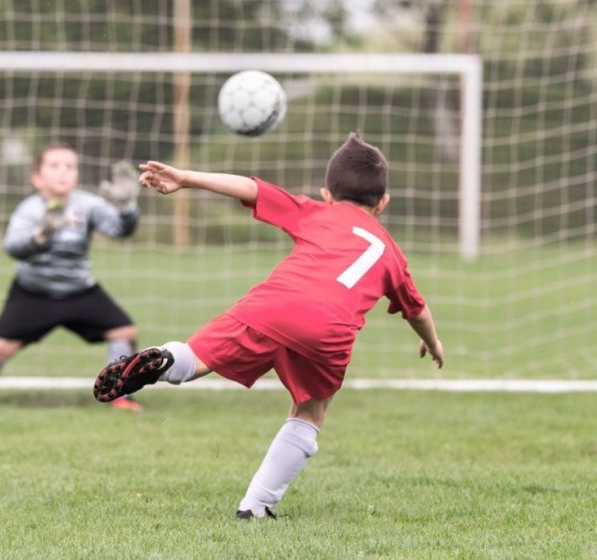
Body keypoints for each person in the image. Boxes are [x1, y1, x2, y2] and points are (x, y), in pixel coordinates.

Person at [92, 133, 445, 518]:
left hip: (273, 305)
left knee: (195, 358)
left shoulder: (315, 211)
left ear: (327, 194)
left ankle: (161, 360)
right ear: (383, 203)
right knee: (310, 412)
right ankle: (255, 507)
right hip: (329, 330)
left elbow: (251, 188)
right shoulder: (392, 253)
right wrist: (434, 341)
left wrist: (186, 178)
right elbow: (417, 310)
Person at [0, 144, 145, 413]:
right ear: (37, 177)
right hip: (33, 293)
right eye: (54, 166)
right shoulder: (28, 210)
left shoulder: (87, 204)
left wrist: (127, 207)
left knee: (124, 332)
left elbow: (121, 231)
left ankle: (121, 397)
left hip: (80, 291)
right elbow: (12, 248)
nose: (63, 172)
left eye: (69, 166)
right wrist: (40, 236)